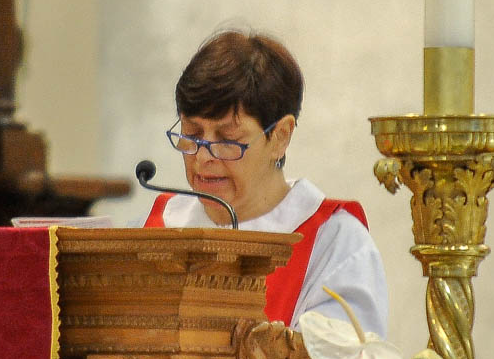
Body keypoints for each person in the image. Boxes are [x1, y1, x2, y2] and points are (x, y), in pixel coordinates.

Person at [142, 30, 388, 337]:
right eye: (192, 134)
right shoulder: (153, 229)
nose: (203, 157)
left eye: (228, 139)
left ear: (281, 136)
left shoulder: (335, 245)